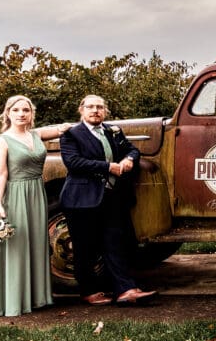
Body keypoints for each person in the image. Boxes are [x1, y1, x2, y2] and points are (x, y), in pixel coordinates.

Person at [0, 96, 71, 317]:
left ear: (31, 113)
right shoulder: (2, 141)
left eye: (25, 110)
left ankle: (36, 297)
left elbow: (59, 129)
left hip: (36, 194)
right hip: (14, 196)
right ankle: (11, 301)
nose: (21, 114)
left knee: (35, 244)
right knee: (16, 247)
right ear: (8, 113)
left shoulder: (35, 135)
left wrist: (78, 124)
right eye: (16, 110)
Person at [60, 95, 156, 306]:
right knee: (84, 247)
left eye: (100, 107)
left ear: (105, 111)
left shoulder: (113, 131)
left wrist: (129, 159)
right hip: (81, 199)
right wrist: (108, 167)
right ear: (81, 110)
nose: (95, 111)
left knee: (115, 243)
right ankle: (88, 291)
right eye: (91, 107)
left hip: (112, 197)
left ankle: (126, 290)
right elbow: (73, 162)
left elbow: (132, 149)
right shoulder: (72, 135)